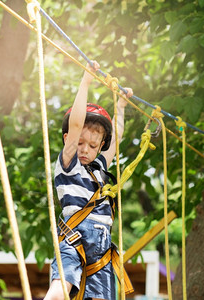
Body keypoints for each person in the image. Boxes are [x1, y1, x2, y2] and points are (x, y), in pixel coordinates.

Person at [44, 61, 133, 300]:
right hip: (75, 239)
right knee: (61, 290)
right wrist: (86, 80)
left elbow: (116, 141)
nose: (84, 150)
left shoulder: (98, 168)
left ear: (100, 146)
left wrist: (121, 106)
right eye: (79, 142)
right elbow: (76, 123)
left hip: (102, 249)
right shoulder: (69, 163)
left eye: (93, 146)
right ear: (68, 139)